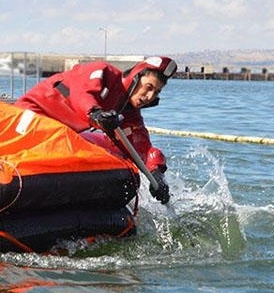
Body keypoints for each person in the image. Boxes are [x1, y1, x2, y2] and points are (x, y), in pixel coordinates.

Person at [15, 56, 177, 204]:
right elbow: (82, 92)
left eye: (156, 92)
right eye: (148, 87)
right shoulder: (103, 73)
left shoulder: (128, 114)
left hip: (56, 136)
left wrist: (157, 174)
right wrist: (96, 114)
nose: (149, 96)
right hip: (28, 119)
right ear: (136, 76)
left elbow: (143, 147)